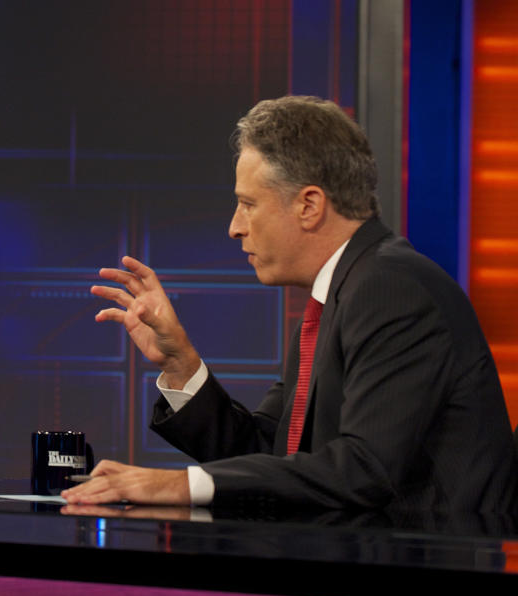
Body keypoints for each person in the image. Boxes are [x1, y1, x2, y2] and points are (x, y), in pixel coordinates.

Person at [62, 96, 517, 512]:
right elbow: (269, 458)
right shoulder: (338, 297)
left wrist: (177, 485)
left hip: (437, 585)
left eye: (248, 204)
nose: (235, 227)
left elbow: (364, 468)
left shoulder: (392, 289)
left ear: (309, 206)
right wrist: (182, 363)